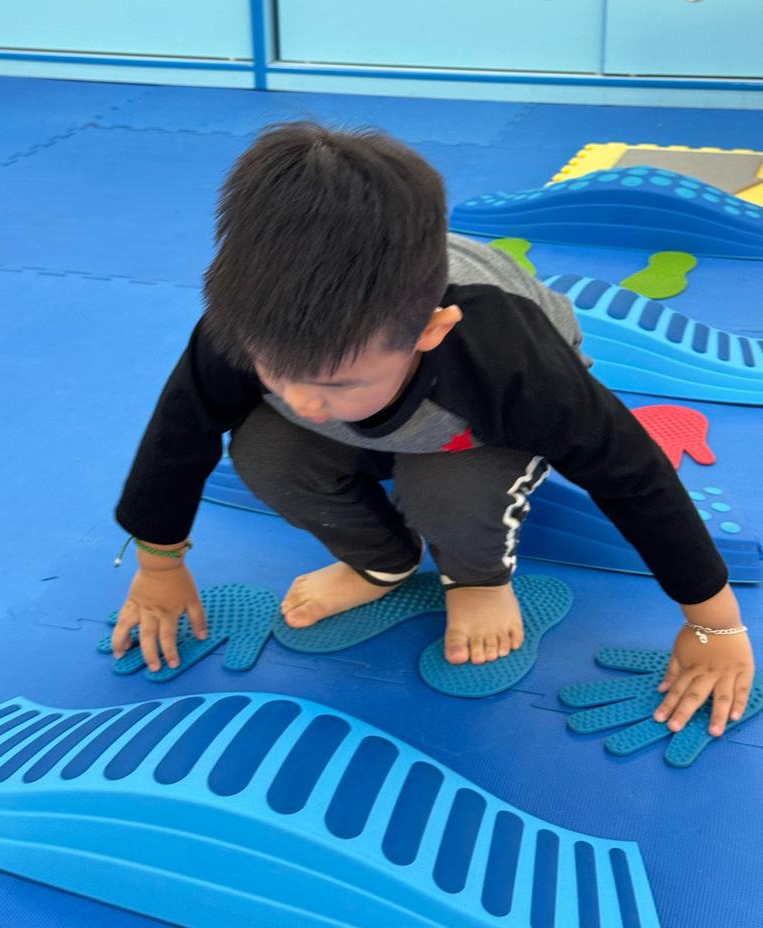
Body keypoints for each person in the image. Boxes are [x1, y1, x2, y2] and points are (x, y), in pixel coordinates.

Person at [112, 120, 755, 738]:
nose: (303, 401)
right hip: (383, 405)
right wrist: (160, 567)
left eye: (337, 383)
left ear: (430, 330)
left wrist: (715, 624)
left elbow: (632, 475)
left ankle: (476, 578)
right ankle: (383, 562)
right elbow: (179, 436)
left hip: (476, 424)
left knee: (449, 495)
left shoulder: (507, 358)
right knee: (263, 453)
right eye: (276, 372)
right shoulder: (243, 326)